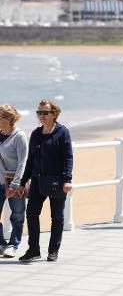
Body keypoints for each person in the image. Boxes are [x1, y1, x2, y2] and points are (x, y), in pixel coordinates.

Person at [18, 100, 73, 262]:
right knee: (31, 213)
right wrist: (23, 181)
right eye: (39, 113)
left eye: (45, 113)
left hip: (57, 181)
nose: (41, 116)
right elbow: (30, 160)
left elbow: (68, 157)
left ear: (54, 114)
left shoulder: (63, 132)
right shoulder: (36, 134)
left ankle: (53, 250)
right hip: (37, 180)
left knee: (56, 217)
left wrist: (67, 179)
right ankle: (34, 249)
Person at [0, 105, 28, 258]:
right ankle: (1, 244)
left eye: (0, 116)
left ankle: (13, 245)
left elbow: (22, 163)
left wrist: (15, 184)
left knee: (17, 214)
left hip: (13, 181)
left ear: (9, 119)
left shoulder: (19, 136)